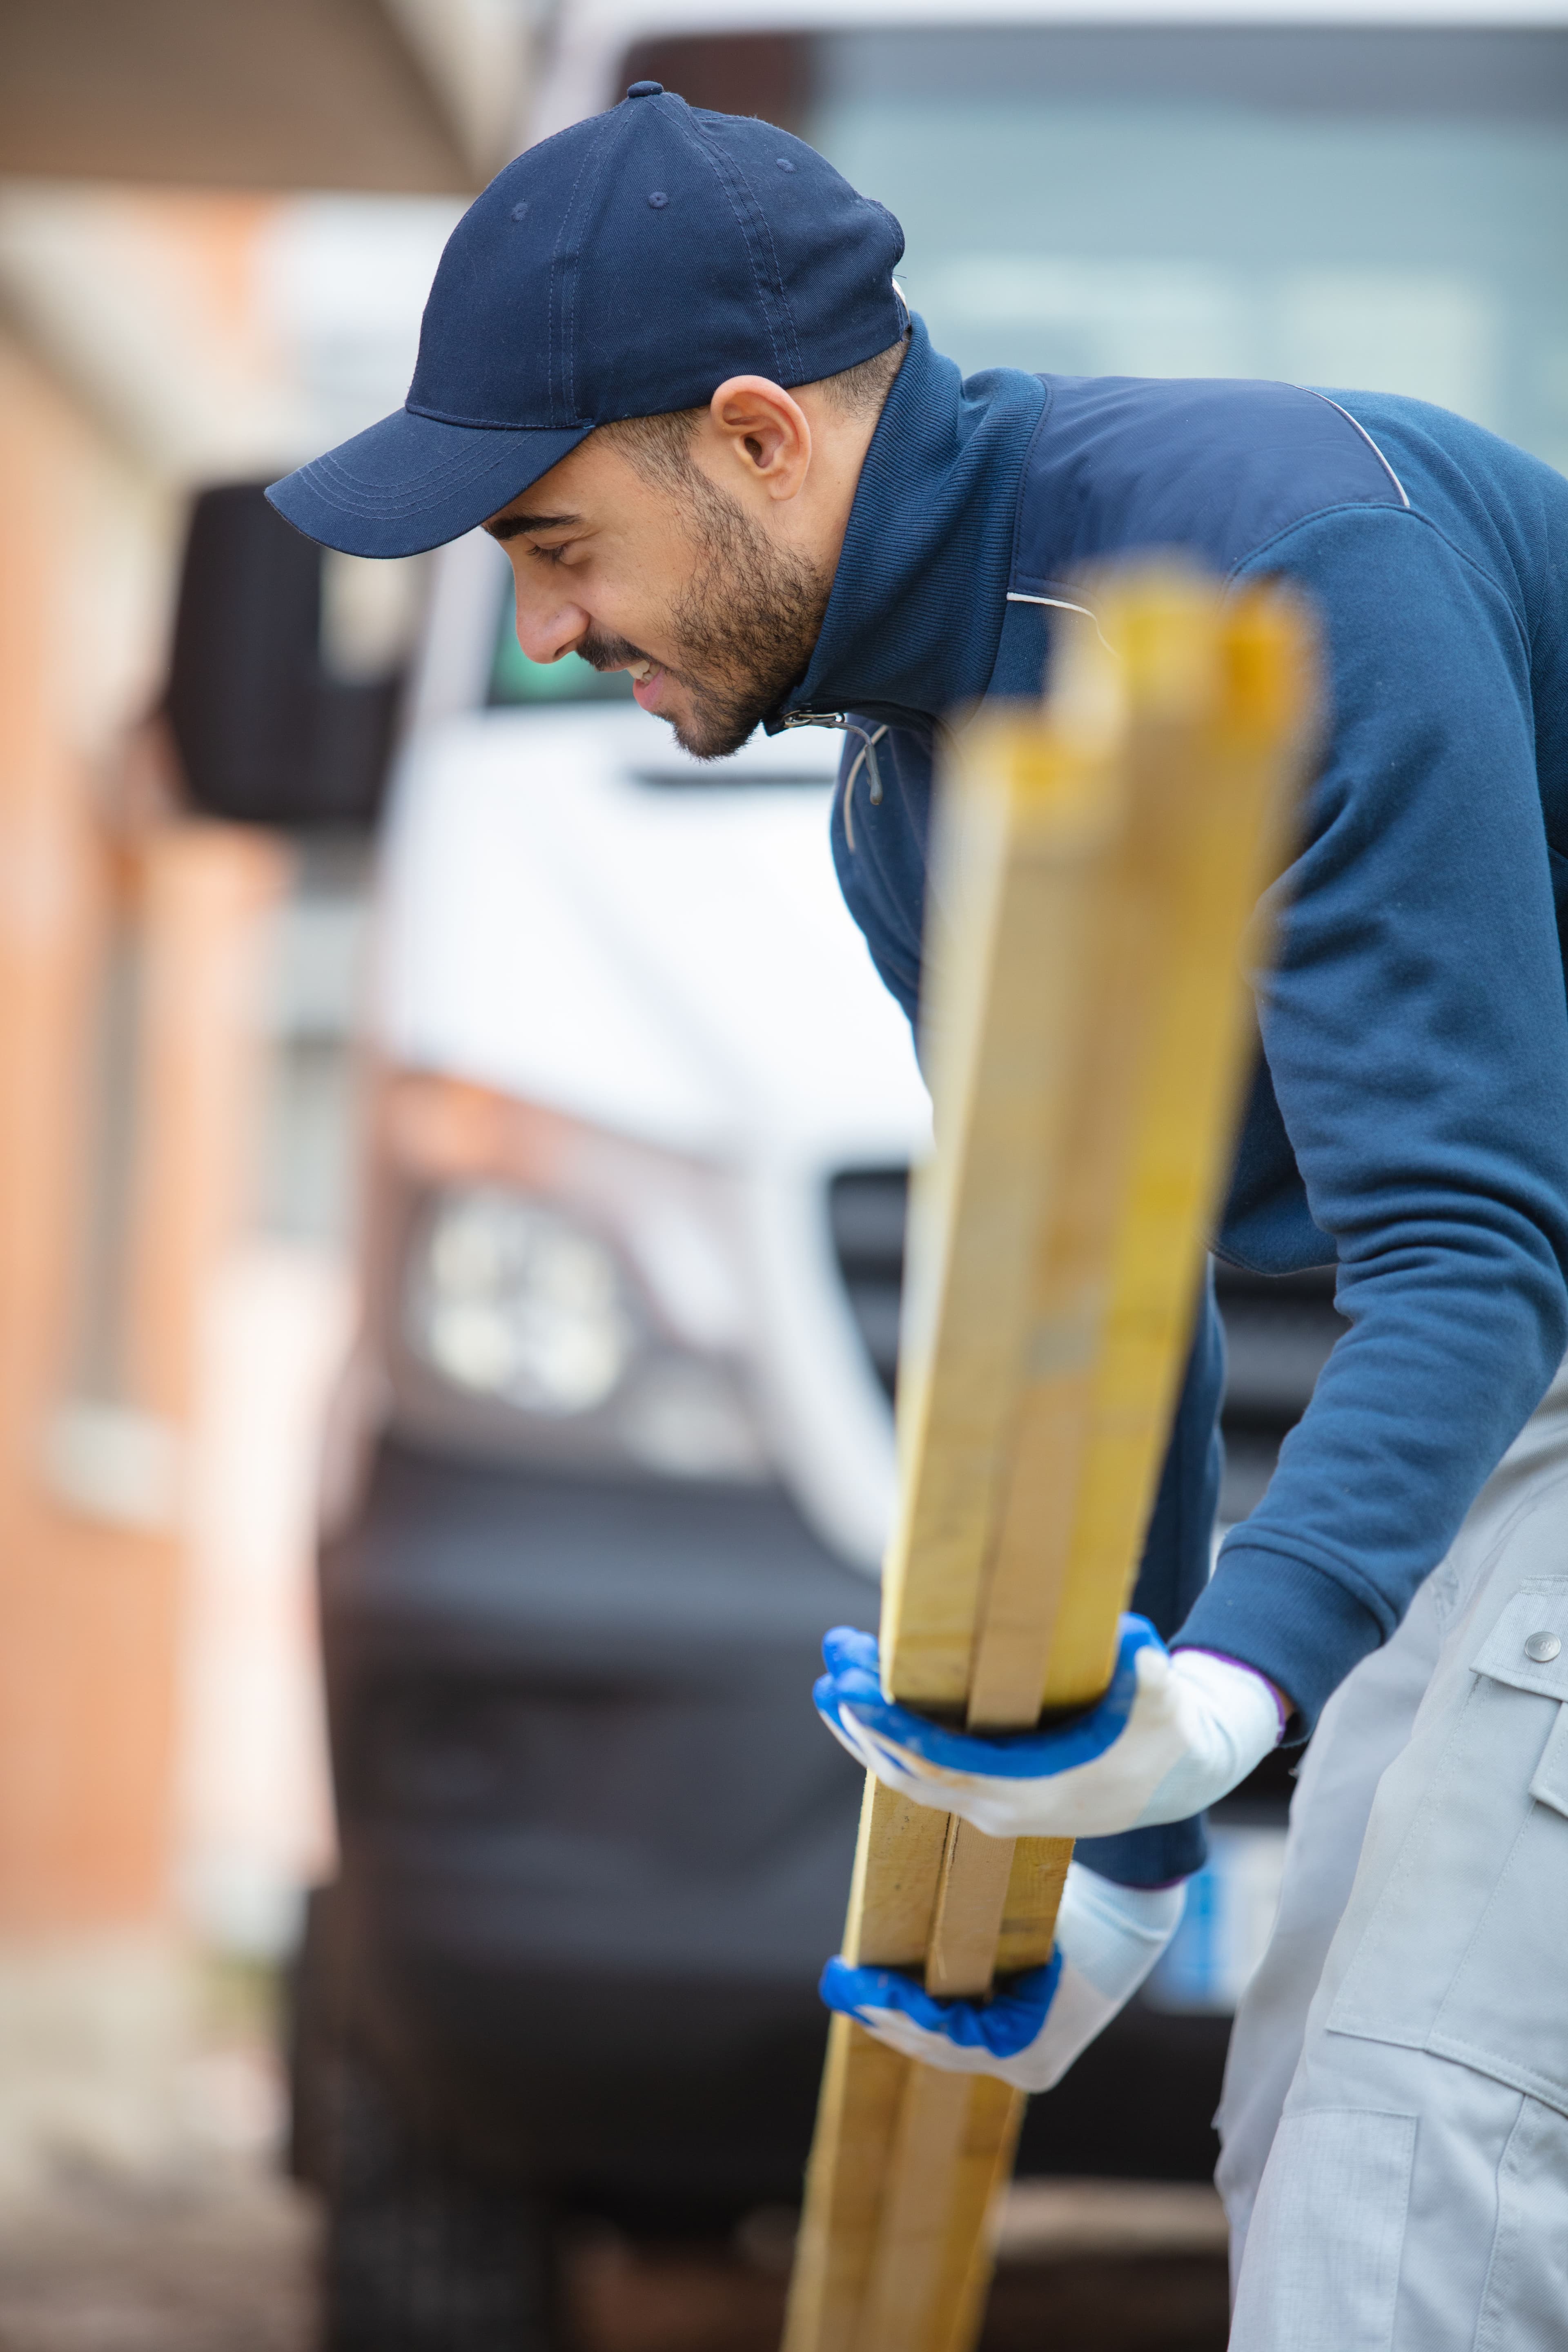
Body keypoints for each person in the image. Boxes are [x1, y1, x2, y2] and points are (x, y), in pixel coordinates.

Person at [268, 81, 1568, 2349]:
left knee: (1409, 2161)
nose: (555, 629)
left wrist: (1246, 1675)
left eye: (559, 544)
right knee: (1306, 2120)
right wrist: (1132, 1849)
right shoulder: (912, 788)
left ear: (762, 438)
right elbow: (1104, 1297)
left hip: (1521, 1344)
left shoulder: (1276, 570)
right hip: (1508, 1421)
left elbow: (1471, 1252)